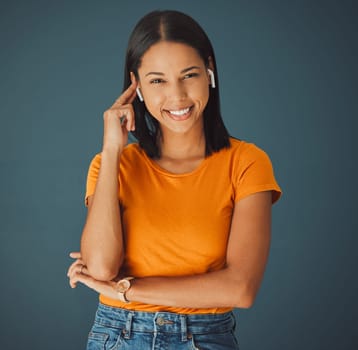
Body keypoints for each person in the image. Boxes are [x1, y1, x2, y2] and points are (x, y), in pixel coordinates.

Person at [67, 9, 281, 350]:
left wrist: (127, 290)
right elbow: (102, 268)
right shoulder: (111, 165)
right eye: (157, 80)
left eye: (189, 75)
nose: (177, 95)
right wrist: (111, 150)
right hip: (118, 335)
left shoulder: (247, 163)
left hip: (205, 337)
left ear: (209, 70)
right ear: (135, 85)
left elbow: (240, 289)